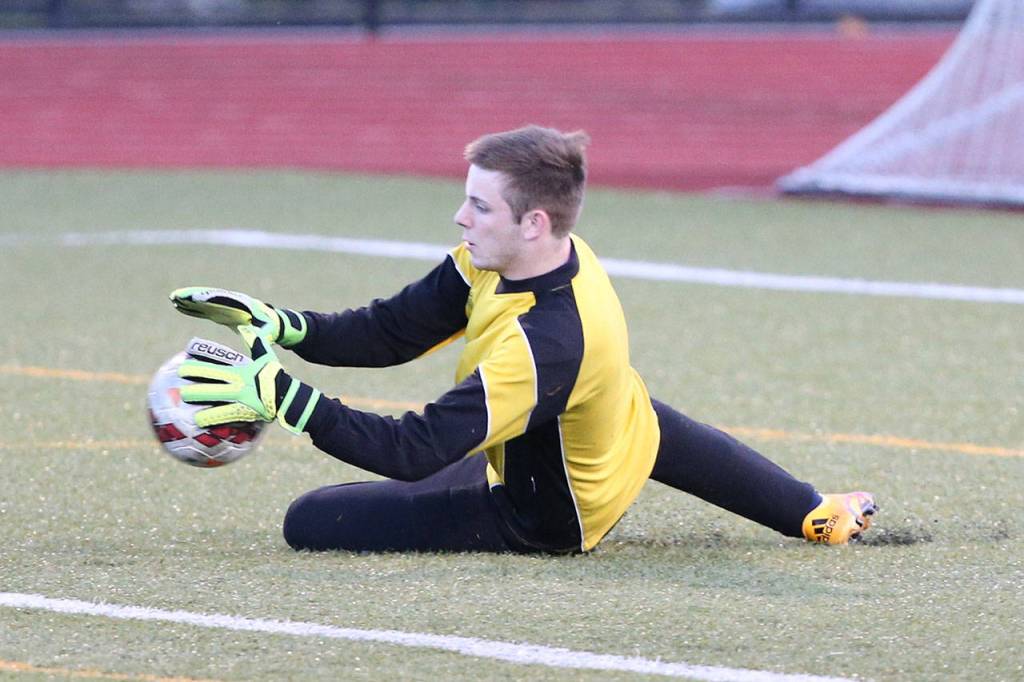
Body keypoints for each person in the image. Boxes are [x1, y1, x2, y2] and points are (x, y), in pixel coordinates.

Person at [171, 125, 876, 554]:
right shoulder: (527, 256)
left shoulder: (549, 342)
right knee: (638, 417)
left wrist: (277, 394)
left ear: (534, 222)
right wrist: (282, 325)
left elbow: (412, 452)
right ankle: (817, 514)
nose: (460, 217)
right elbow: (391, 330)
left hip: (543, 512)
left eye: (479, 205)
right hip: (620, 436)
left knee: (312, 520)